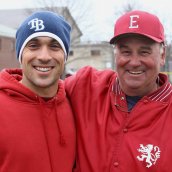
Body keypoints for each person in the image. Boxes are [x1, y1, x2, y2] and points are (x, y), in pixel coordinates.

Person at [65, 10, 172, 172]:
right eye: (125, 51)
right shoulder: (85, 86)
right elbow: (33, 93)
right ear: (115, 54)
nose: (134, 62)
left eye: (144, 52)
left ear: (162, 54)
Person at [0, 11, 76, 172]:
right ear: (21, 55)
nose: (44, 56)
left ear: (65, 55)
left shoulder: (76, 105)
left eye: (54, 46)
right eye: (33, 46)